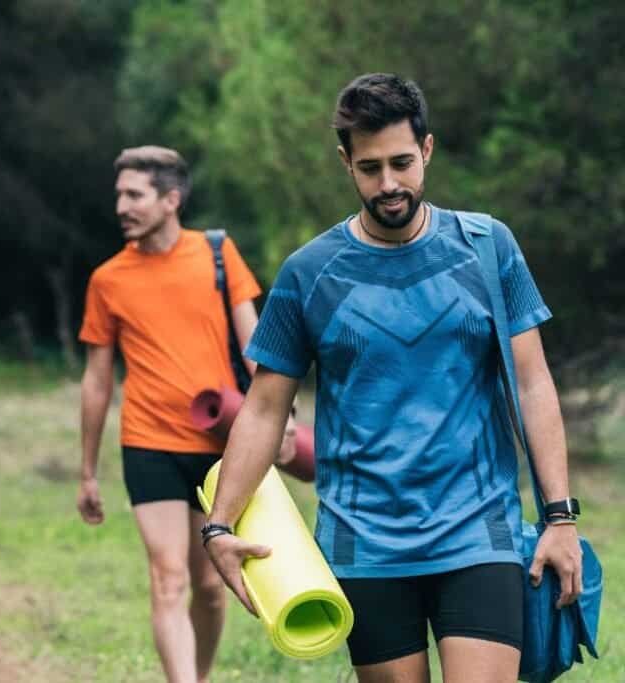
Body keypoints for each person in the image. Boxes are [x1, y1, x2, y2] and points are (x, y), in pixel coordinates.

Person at [203, 73, 583, 683]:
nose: (389, 185)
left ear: (427, 149)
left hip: (478, 530)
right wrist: (220, 525)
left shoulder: (487, 248)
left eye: (402, 163)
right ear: (345, 162)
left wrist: (561, 518)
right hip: (365, 542)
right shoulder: (309, 273)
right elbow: (265, 407)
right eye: (370, 167)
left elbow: (534, 384)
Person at [76, 146, 266, 683]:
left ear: (171, 199)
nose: (122, 206)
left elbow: (255, 347)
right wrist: (88, 471)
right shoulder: (107, 279)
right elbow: (96, 380)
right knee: (167, 577)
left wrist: (281, 417)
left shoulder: (217, 254)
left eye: (134, 195)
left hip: (218, 447)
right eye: (119, 195)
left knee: (210, 586)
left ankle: (197, 676)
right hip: (149, 442)